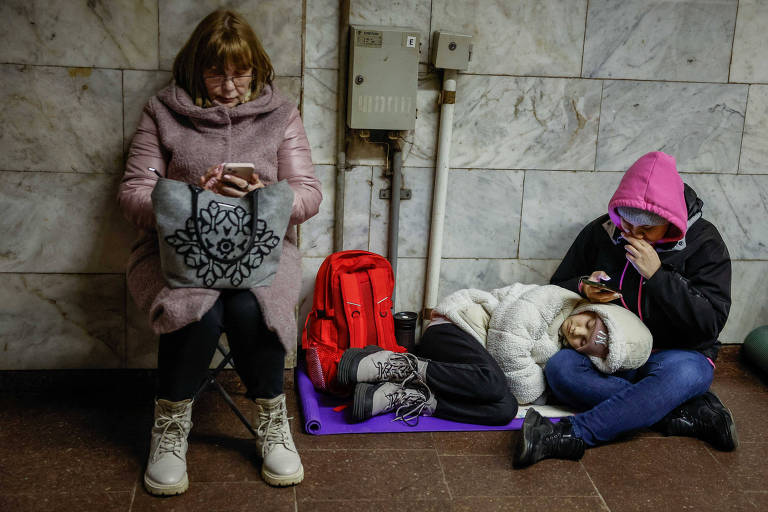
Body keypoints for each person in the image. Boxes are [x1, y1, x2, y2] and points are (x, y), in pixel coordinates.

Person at [118, 10, 321, 493]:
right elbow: (132, 194)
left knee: (255, 306)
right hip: (177, 252)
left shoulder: (281, 113)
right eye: (216, 72)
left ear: (257, 68)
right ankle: (170, 426)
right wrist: (189, 197)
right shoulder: (163, 111)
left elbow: (309, 192)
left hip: (262, 252)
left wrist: (262, 193)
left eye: (240, 72)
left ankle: (273, 422)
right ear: (195, 68)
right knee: (197, 312)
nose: (229, 85)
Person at [513, 151, 737, 468]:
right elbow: (555, 286)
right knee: (561, 369)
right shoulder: (604, 231)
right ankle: (684, 410)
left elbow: (710, 322)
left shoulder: (705, 242)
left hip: (678, 355)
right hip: (613, 350)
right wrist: (582, 286)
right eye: (627, 223)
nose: (633, 234)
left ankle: (569, 434)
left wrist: (658, 276)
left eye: (647, 230)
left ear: (671, 222)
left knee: (685, 374)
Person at [337, 282, 651, 425]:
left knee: (503, 410)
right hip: (453, 329)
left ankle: (412, 395)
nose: (577, 332)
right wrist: (535, 390)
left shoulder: (564, 342)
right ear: (593, 309)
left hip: (470, 366)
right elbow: (507, 344)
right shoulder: (554, 299)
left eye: (584, 342)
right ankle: (394, 364)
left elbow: (518, 393)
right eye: (586, 324)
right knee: (494, 385)